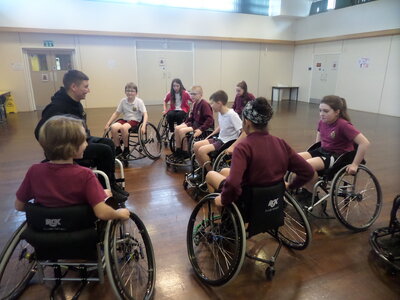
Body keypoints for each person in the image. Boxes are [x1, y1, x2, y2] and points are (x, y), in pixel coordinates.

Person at [34, 70, 128, 202]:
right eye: (85, 87)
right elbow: (39, 132)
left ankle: (109, 184)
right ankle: (104, 189)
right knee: (104, 150)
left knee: (109, 143)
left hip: (82, 140)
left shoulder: (75, 103)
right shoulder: (56, 107)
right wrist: (58, 150)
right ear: (74, 87)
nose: (88, 90)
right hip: (69, 149)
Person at [16, 116, 130, 221]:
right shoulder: (85, 174)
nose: (86, 144)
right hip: (78, 230)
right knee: (107, 195)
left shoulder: (34, 171)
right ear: (73, 147)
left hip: (42, 233)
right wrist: (118, 213)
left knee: (104, 193)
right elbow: (102, 213)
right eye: (84, 140)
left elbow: (19, 205)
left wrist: (50, 213)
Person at [205, 97, 314, 207]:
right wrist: (291, 186)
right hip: (273, 197)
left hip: (249, 200)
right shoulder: (280, 143)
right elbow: (308, 171)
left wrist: (223, 199)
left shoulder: (243, 147)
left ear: (247, 122)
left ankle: (224, 216)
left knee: (210, 175)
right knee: (224, 171)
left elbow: (233, 184)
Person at [296, 95, 370, 194]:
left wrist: (355, 164)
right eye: (320, 110)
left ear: (337, 112)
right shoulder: (322, 122)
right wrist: (314, 152)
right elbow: (319, 139)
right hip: (323, 151)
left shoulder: (343, 125)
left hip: (336, 156)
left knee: (307, 165)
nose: (321, 114)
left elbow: (364, 143)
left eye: (326, 111)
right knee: (294, 159)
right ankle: (302, 187)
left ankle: (309, 194)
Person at [193, 90, 242, 173]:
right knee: (196, 145)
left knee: (202, 150)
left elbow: (242, 131)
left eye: (212, 103)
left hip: (226, 142)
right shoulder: (220, 113)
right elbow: (221, 127)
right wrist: (210, 135)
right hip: (220, 139)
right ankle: (202, 169)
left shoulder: (232, 115)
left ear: (219, 103)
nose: (211, 106)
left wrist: (234, 146)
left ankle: (210, 173)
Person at [168, 85, 214, 160]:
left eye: (194, 94)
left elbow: (210, 120)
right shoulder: (195, 103)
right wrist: (185, 123)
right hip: (194, 124)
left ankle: (185, 151)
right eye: (191, 94)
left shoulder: (204, 104)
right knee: (177, 128)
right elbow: (192, 117)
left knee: (182, 131)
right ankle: (178, 150)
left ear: (201, 95)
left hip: (200, 126)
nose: (192, 96)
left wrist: (201, 129)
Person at [104, 82, 148, 158]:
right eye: (128, 91)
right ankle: (118, 148)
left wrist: (143, 126)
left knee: (123, 128)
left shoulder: (139, 102)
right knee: (113, 127)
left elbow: (145, 114)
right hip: (125, 120)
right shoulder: (123, 101)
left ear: (136, 93)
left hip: (135, 121)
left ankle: (126, 148)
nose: (130, 93)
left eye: (132, 91)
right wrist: (108, 123)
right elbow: (116, 113)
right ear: (125, 92)